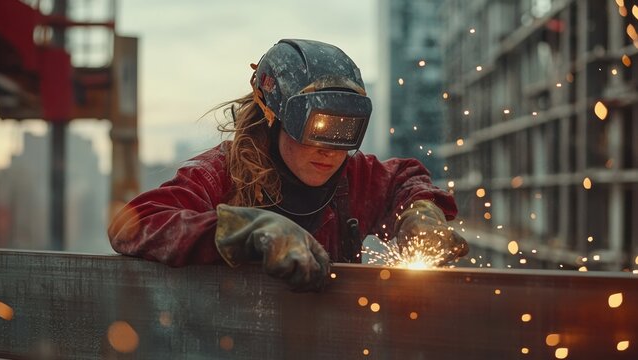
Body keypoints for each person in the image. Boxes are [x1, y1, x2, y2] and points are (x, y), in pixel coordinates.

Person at [108, 39, 468, 292]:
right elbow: (132, 225)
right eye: (316, 130)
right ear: (275, 117)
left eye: (343, 133)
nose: (329, 152)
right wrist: (245, 230)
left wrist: (421, 213)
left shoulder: (354, 177)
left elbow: (403, 179)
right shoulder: (221, 173)